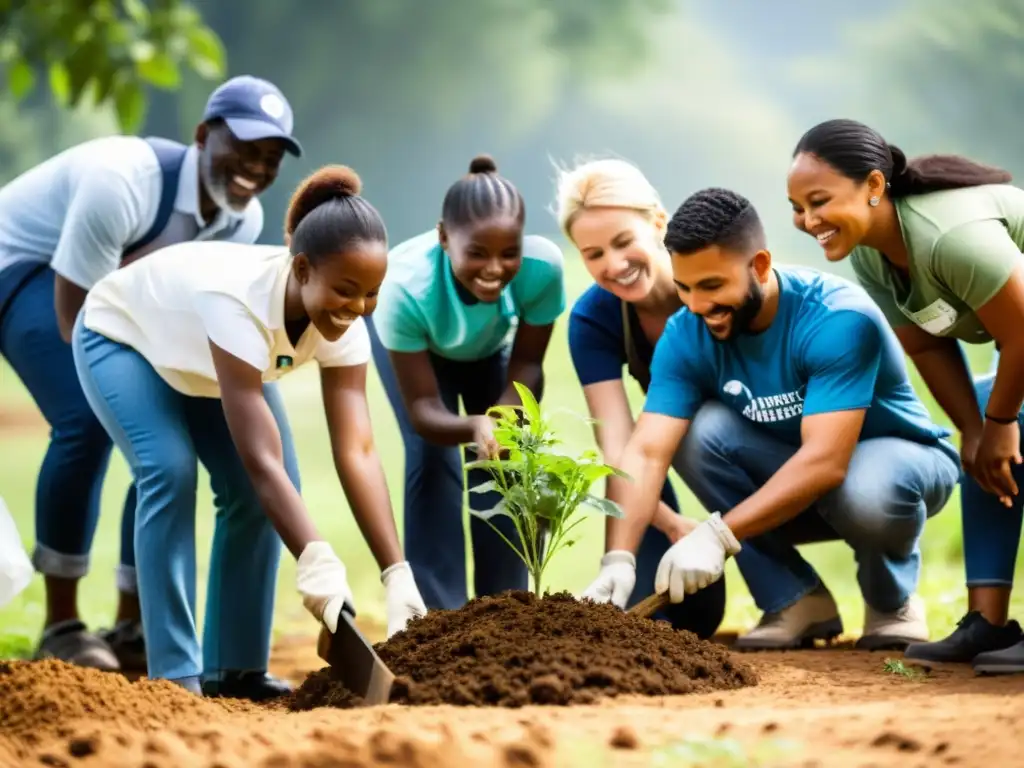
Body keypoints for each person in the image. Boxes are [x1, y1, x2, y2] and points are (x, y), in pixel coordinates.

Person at [70, 165, 427, 697]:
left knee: (261, 498)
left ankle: (235, 671)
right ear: (303, 269)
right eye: (347, 291)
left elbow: (358, 448)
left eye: (370, 294)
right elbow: (262, 461)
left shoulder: (345, 321)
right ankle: (174, 675)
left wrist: (395, 571)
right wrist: (315, 558)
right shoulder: (240, 301)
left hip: (209, 362)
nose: (358, 309)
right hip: (123, 337)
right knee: (168, 471)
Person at [0, 74, 302, 674]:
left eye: (270, 158)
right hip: (23, 267)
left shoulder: (243, 221)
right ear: (201, 136)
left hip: (113, 302)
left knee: (163, 425)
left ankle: (131, 624)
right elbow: (73, 320)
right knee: (87, 417)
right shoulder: (123, 184)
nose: (255, 167)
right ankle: (61, 623)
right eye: (244, 147)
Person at [581, 187, 961, 652]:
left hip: (895, 470)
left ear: (759, 266)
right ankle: (796, 600)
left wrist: (718, 536)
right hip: (795, 478)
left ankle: (891, 601)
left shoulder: (836, 318)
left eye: (713, 286)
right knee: (693, 432)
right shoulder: (686, 333)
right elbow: (644, 452)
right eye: (684, 287)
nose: (696, 305)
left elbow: (825, 462)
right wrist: (617, 559)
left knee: (868, 486)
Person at [788, 118, 1024, 673]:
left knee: (1010, 426)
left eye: (819, 201)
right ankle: (987, 623)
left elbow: (1022, 332)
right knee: (985, 446)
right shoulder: (872, 252)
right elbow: (928, 346)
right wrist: (974, 428)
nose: (807, 220)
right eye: (798, 207)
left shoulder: (950, 238)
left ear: (873, 186)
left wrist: (1002, 421)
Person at [367, 155, 566, 610]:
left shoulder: (543, 268)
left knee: (502, 458)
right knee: (433, 459)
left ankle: (505, 608)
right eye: (476, 252)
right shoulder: (403, 287)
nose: (495, 268)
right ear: (443, 237)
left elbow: (528, 368)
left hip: (487, 346)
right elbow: (423, 411)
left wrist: (499, 421)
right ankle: (440, 615)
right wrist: (473, 426)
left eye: (508, 252)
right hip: (416, 349)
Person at [554, 158, 726, 638]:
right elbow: (619, 449)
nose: (612, 265)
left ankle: (790, 596)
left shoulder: (715, 283)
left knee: (699, 432)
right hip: (659, 450)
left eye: (623, 242)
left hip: (747, 442)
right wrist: (669, 528)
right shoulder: (593, 319)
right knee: (681, 617)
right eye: (593, 254)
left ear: (657, 222)